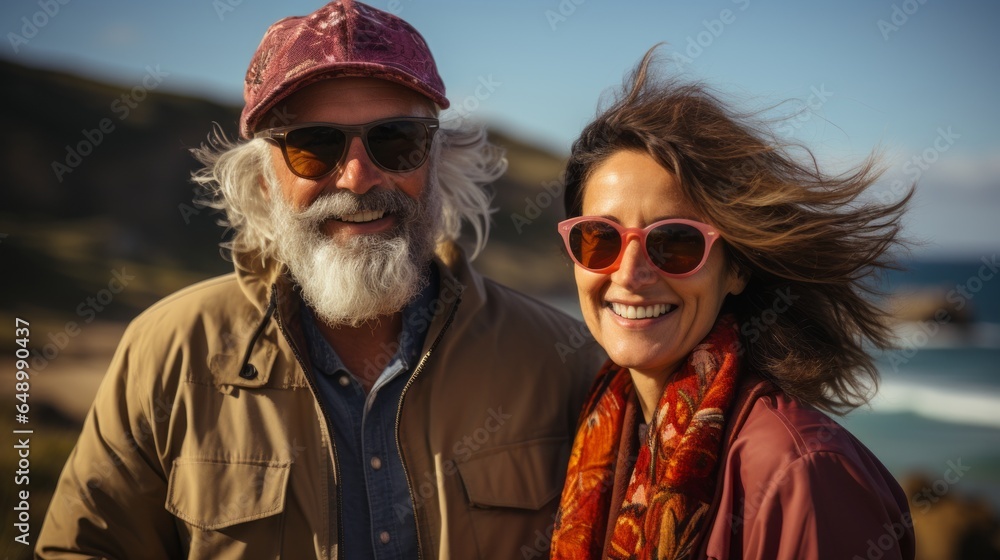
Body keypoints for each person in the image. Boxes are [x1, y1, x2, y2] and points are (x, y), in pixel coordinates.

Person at [36, 2, 603, 558]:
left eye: (396, 139)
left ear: (438, 160)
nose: (357, 179)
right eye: (314, 146)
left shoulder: (561, 361)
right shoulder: (166, 353)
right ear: (263, 181)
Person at [549, 48, 916, 559]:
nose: (629, 274)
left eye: (674, 242)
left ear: (737, 268)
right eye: (600, 240)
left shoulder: (801, 475)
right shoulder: (604, 435)